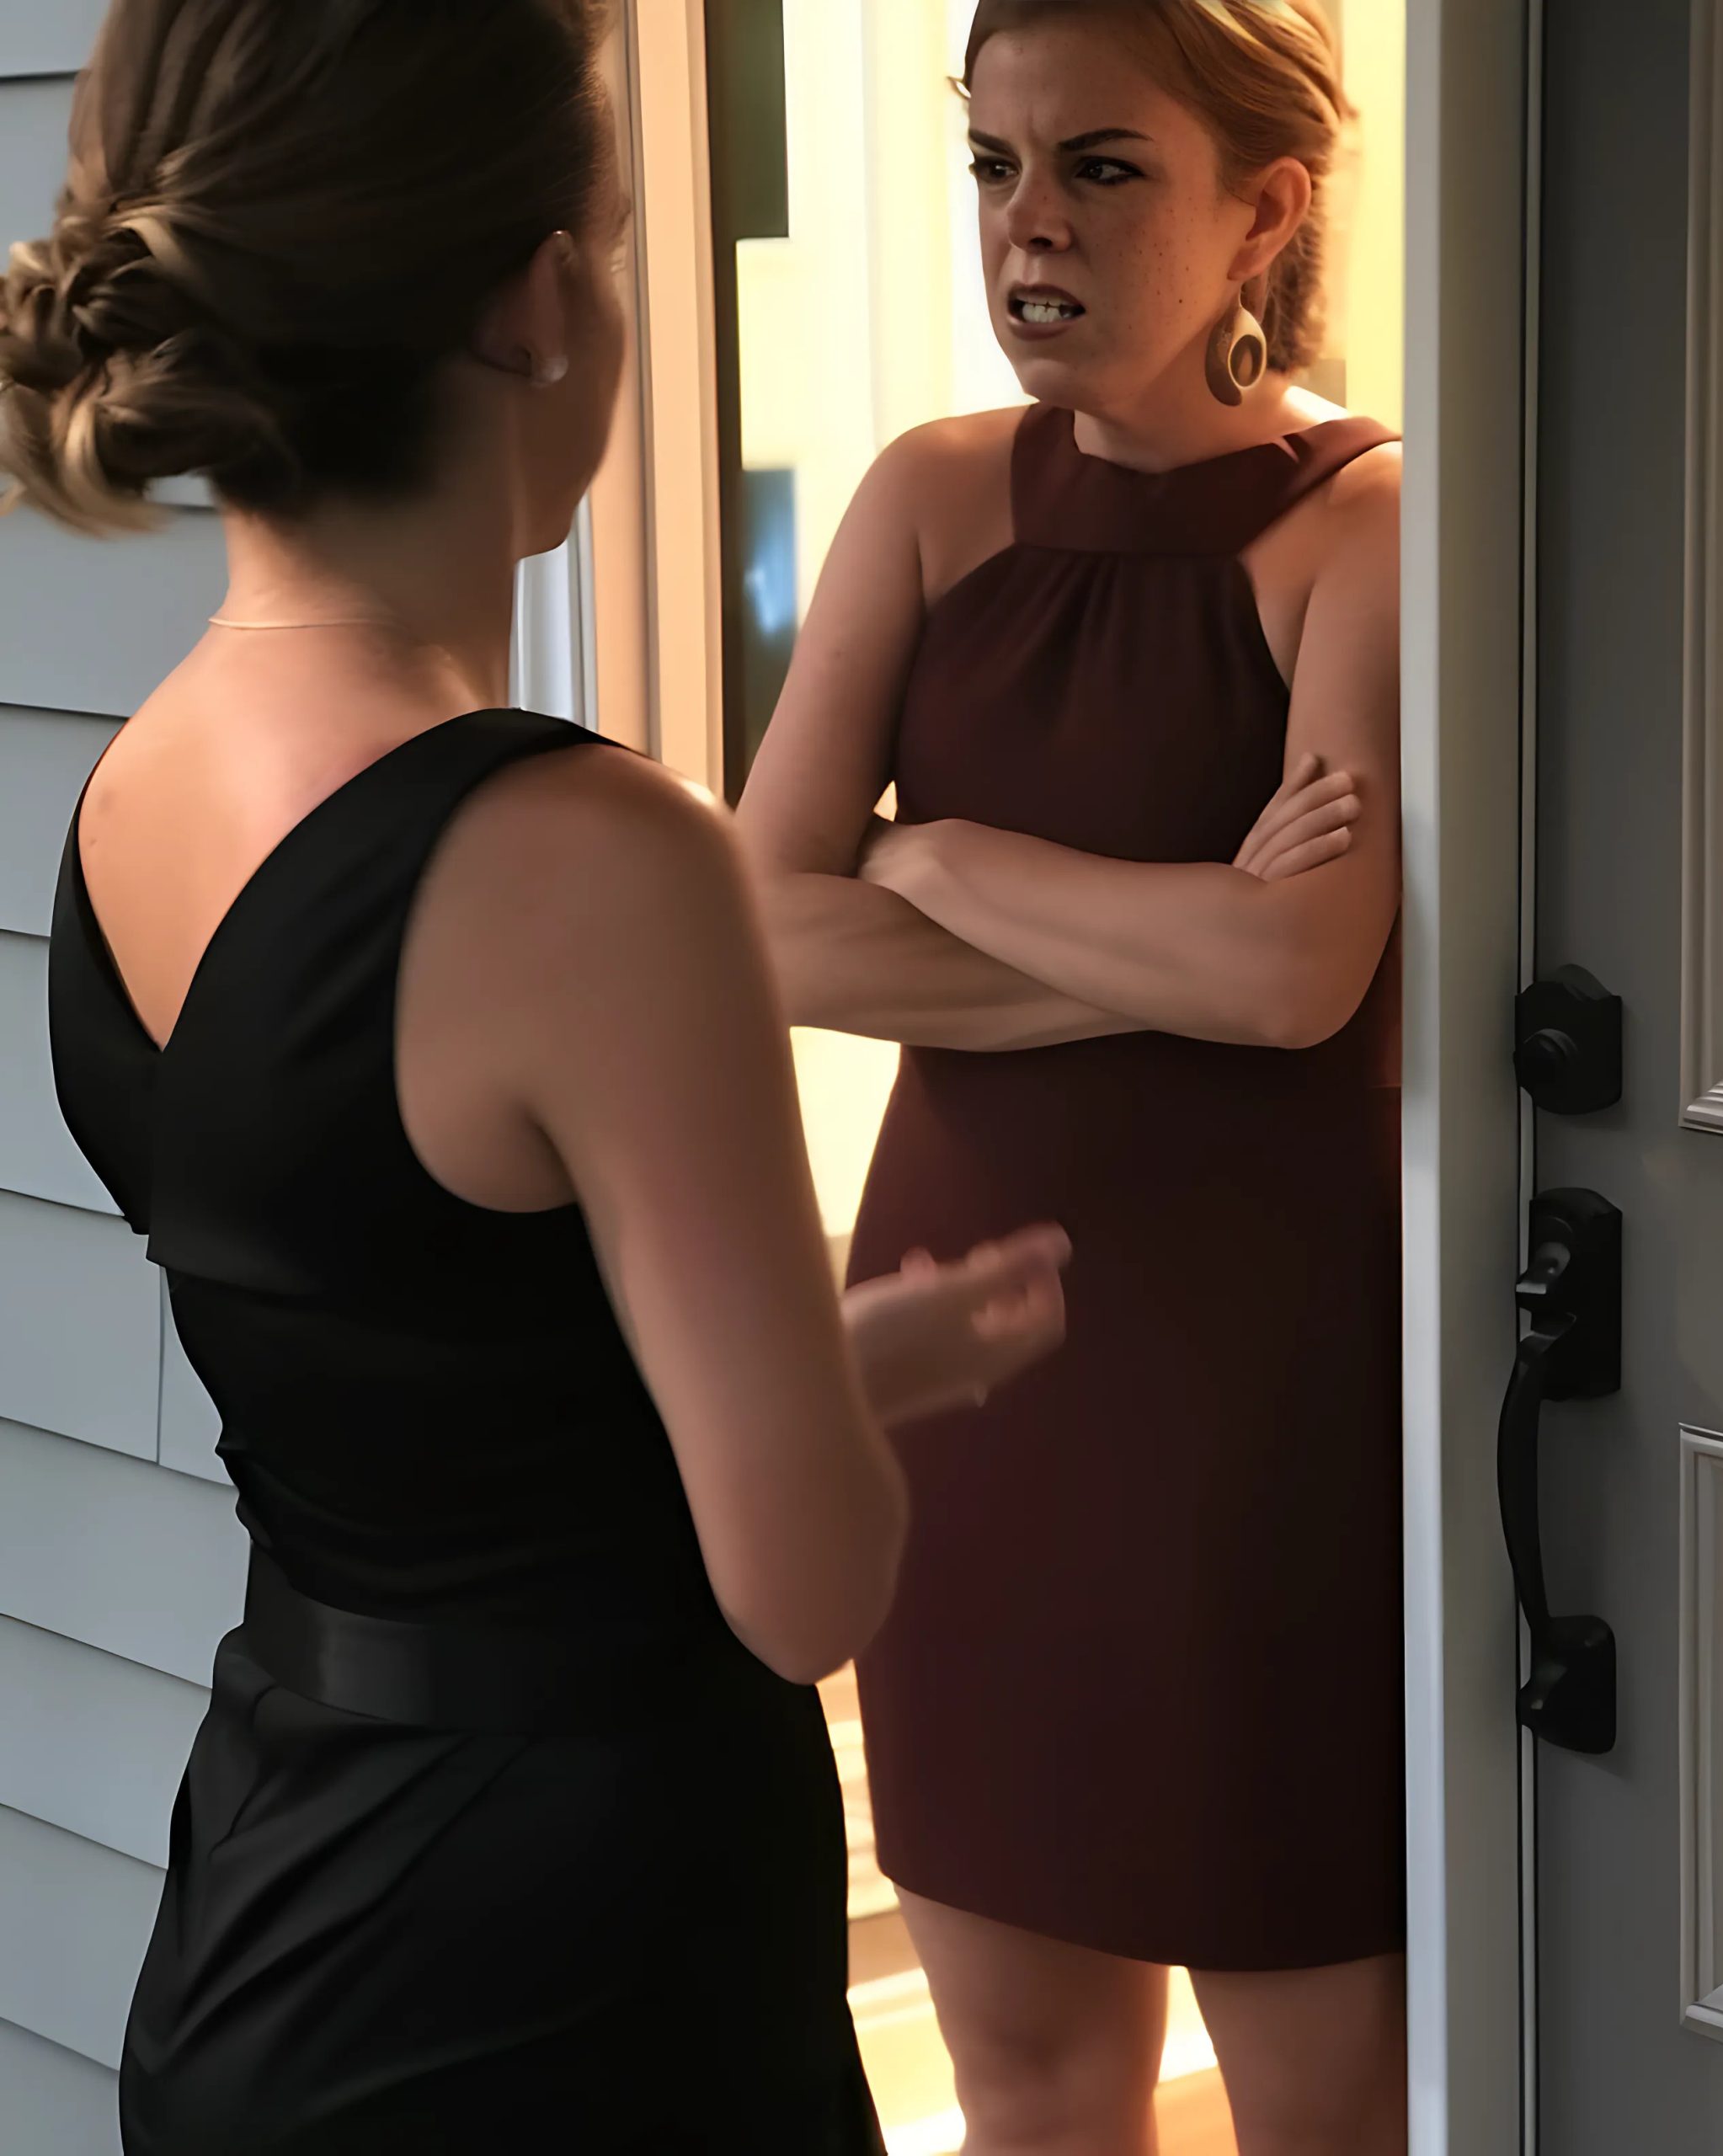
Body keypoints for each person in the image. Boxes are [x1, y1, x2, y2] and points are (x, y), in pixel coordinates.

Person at [0, 3, 1084, 2149]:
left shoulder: (134, 784)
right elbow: (804, 1583)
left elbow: (417, 1365)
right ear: (536, 298)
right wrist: (817, 1415)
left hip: (272, 1926)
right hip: (570, 1990)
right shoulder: (590, 858)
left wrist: (812, 1357)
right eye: (617, 230)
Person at [735, 2, 1404, 2152]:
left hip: (1256, 1386)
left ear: (1261, 212)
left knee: (1325, 2097)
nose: (1027, 226)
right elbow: (758, 927)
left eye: (1100, 168)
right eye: (994, 166)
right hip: (965, 1360)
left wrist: (939, 856)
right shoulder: (929, 498)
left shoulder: (1368, 524)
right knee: (1021, 2081)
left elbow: (1299, 975)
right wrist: (1174, 943)